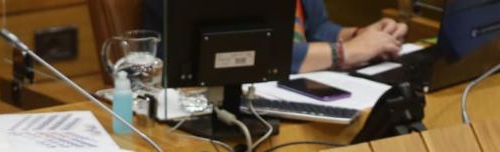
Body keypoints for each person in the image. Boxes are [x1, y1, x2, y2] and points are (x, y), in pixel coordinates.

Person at [142, 0, 409, 75]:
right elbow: (241, 50)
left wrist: (364, 37)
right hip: (197, 103)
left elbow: (316, 30)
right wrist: (346, 52)